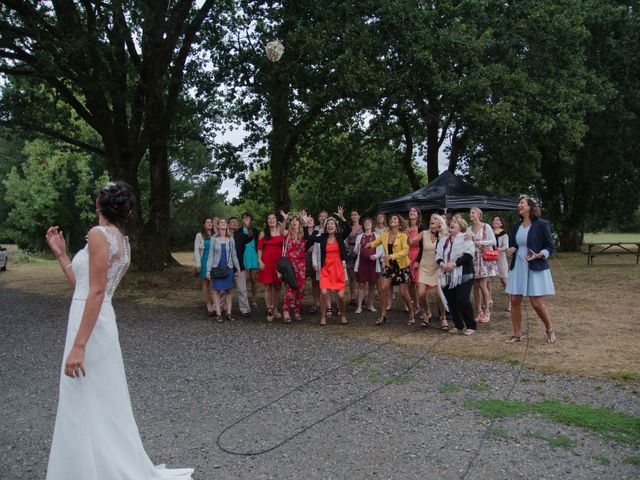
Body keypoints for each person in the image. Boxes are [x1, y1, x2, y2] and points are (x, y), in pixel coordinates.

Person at [45, 181, 193, 479]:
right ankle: (90, 467)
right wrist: (61, 254)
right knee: (95, 397)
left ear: (100, 205)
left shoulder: (98, 235)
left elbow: (96, 292)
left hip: (90, 323)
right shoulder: (121, 242)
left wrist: (79, 345)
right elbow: (84, 285)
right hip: (96, 318)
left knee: (83, 391)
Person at [506, 196, 556, 344]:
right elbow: (514, 244)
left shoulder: (541, 224)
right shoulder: (516, 226)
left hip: (535, 265)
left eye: (522, 203)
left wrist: (540, 254)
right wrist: (511, 249)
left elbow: (550, 246)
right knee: (514, 300)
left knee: (536, 302)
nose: (518, 205)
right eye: (519, 203)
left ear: (530, 207)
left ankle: (549, 329)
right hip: (519, 265)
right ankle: (517, 334)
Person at [367, 214, 414, 326]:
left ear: (399, 223)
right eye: (391, 219)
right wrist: (369, 244)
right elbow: (376, 242)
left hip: (402, 267)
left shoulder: (403, 235)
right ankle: (383, 315)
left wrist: (392, 256)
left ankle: (411, 313)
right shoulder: (385, 235)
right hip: (390, 267)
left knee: (403, 293)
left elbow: (405, 251)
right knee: (383, 288)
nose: (392, 220)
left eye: (395, 219)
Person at [436, 216, 477, 335]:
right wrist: (442, 264)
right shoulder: (443, 240)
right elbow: (437, 254)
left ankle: (471, 325)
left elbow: (469, 255)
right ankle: (458, 325)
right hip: (447, 274)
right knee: (451, 301)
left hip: (463, 274)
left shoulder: (465, 238)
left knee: (462, 300)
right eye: (451, 222)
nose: (451, 224)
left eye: (455, 222)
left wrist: (454, 264)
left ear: (461, 226)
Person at [410, 213, 449, 330]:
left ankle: (443, 318)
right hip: (424, 267)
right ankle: (427, 313)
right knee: (421, 293)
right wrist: (406, 233)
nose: (432, 220)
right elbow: (411, 242)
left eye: (435, 219)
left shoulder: (444, 235)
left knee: (438, 295)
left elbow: (456, 238)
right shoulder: (424, 233)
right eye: (431, 218)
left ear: (440, 223)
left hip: (437, 268)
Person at [312, 217, 349, 326]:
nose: (330, 225)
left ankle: (343, 315)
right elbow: (308, 238)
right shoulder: (322, 237)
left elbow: (348, 229)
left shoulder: (340, 236)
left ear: (335, 227)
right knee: (323, 292)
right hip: (326, 268)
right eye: (328, 224)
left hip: (338, 268)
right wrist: (305, 225)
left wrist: (343, 218)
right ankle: (323, 317)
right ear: (325, 227)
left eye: (332, 224)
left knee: (341, 296)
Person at [206, 218, 240, 323]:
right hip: (216, 268)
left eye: (225, 222)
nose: (223, 224)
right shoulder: (213, 239)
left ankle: (229, 314)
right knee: (216, 291)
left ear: (227, 226)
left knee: (228, 291)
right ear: (218, 226)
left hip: (228, 267)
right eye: (221, 222)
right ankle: (218, 314)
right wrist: (208, 270)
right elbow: (210, 255)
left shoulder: (231, 239)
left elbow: (234, 254)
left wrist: (237, 267)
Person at [469, 207, 498, 323]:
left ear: (478, 215)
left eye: (473, 213)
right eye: (470, 213)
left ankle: (487, 311)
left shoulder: (486, 227)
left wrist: (479, 242)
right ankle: (479, 311)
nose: (471, 214)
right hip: (474, 259)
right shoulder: (468, 229)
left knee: (482, 284)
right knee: (475, 285)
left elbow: (493, 241)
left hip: (485, 259)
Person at [280, 211, 308, 323]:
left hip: (301, 264)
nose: (294, 222)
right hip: (289, 264)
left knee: (300, 288)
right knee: (290, 288)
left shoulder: (303, 234)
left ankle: (297, 311)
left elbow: (309, 236)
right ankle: (286, 310)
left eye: (296, 220)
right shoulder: (288, 233)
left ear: (300, 222)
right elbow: (281, 231)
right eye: (292, 220)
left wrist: (305, 222)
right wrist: (285, 220)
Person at [257, 212, 284, 322]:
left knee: (278, 285)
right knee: (268, 286)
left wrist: (285, 221)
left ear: (277, 220)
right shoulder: (263, 233)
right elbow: (259, 248)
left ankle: (275, 307)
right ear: (267, 221)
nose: (271, 220)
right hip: (266, 262)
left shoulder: (280, 232)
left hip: (278, 263)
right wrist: (259, 260)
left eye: (273, 218)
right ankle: (269, 309)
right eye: (269, 218)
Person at [353, 217, 382, 313]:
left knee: (372, 285)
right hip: (362, 263)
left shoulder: (377, 236)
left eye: (369, 222)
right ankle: (359, 307)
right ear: (363, 225)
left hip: (373, 263)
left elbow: (381, 250)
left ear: (372, 224)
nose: (367, 223)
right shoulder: (359, 237)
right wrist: (357, 248)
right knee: (361, 284)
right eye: (365, 222)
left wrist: (376, 256)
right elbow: (356, 251)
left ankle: (371, 305)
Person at [228, 216, 254, 316]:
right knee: (222, 290)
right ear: (228, 224)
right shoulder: (224, 235)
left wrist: (248, 227)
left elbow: (250, 237)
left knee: (242, 289)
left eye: (236, 222)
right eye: (232, 222)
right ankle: (219, 308)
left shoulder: (241, 234)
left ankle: (245, 309)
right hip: (226, 266)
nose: (234, 223)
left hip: (239, 265)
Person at [194, 217, 215, 316]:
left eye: (211, 222)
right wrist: (198, 265)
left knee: (214, 283)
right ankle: (208, 304)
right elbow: (197, 251)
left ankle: (215, 303)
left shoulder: (216, 234)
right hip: (204, 260)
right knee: (206, 283)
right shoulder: (199, 235)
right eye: (207, 222)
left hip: (214, 262)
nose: (210, 223)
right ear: (204, 224)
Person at [406, 206, 424, 317]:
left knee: (418, 283)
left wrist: (418, 260)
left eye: (414, 211)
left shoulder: (421, 227)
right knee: (409, 284)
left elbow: (423, 246)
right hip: (406, 256)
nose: (412, 212)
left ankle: (424, 307)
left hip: (417, 255)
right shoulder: (405, 227)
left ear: (418, 214)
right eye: (410, 211)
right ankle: (416, 306)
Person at [241, 212, 260, 309]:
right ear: (242, 220)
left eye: (248, 218)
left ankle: (253, 299)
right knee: (245, 279)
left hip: (253, 256)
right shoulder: (239, 231)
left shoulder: (255, 231)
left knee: (254, 279)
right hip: (243, 256)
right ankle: (245, 300)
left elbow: (258, 243)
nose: (246, 220)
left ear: (251, 220)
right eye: (244, 218)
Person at [492, 215, 511, 312]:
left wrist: (498, 249)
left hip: (500, 259)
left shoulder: (504, 234)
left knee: (504, 280)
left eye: (498, 220)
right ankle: (488, 301)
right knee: (487, 281)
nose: (495, 221)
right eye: (494, 220)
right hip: (490, 259)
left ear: (501, 223)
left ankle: (511, 302)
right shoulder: (489, 232)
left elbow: (506, 247)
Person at [304, 216, 321, 313]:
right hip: (304, 258)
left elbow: (313, 241)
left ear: (314, 223)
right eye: (308, 220)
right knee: (302, 281)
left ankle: (316, 302)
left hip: (314, 258)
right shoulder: (303, 230)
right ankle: (299, 302)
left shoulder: (316, 233)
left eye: (311, 220)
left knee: (315, 282)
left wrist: (312, 246)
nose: (309, 221)